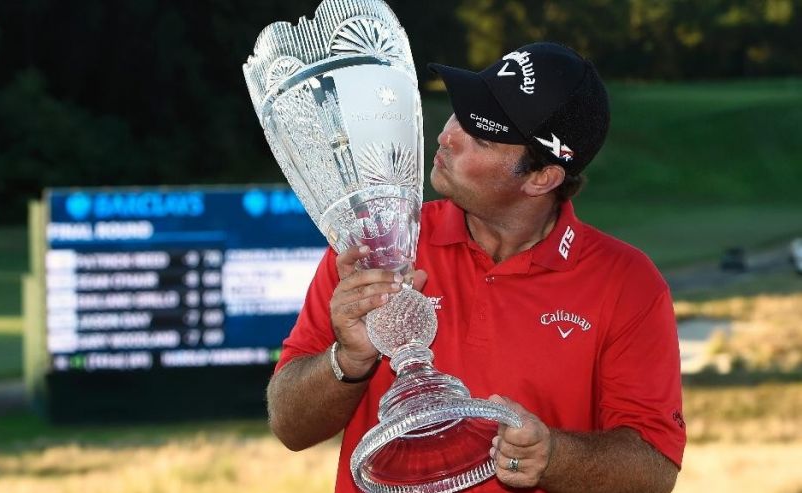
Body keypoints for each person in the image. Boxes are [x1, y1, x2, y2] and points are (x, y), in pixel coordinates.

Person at [267, 41, 685, 493]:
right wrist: (348, 360)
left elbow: (653, 470)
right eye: (457, 113)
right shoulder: (378, 241)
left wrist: (553, 457)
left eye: (480, 136)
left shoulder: (626, 282)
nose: (447, 135)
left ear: (542, 177)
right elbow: (290, 426)